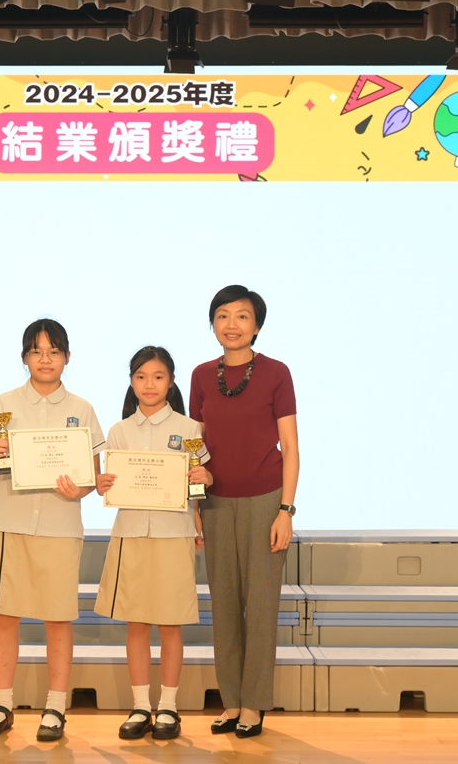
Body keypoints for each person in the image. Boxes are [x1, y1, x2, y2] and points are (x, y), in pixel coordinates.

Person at [0, 319, 105, 743]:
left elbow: (91, 477)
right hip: (7, 522)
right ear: (24, 357)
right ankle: (2, 705)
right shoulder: (3, 403)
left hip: (59, 525)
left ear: (67, 357)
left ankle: (55, 707)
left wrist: (78, 489)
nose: (45, 359)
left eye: (53, 351)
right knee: (5, 614)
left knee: (57, 617)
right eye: (36, 351)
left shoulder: (82, 409)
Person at [189, 285, 299, 739]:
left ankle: (253, 704)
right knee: (225, 604)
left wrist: (285, 510)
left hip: (265, 501)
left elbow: (290, 447)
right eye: (223, 315)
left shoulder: (276, 373)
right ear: (212, 323)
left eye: (242, 316)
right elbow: (194, 448)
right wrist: (194, 506)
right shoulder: (200, 376)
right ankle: (231, 700)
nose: (231, 324)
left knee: (262, 605)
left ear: (257, 326)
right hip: (215, 503)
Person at [94, 346, 213, 741]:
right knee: (137, 623)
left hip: (174, 534)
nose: (150, 384)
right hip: (131, 533)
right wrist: (103, 484)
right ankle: (141, 705)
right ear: (131, 381)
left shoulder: (190, 428)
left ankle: (169, 707)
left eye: (158, 377)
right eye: (141, 376)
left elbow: (200, 482)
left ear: (171, 382)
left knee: (171, 623)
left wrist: (205, 481)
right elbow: (111, 483)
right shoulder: (119, 431)